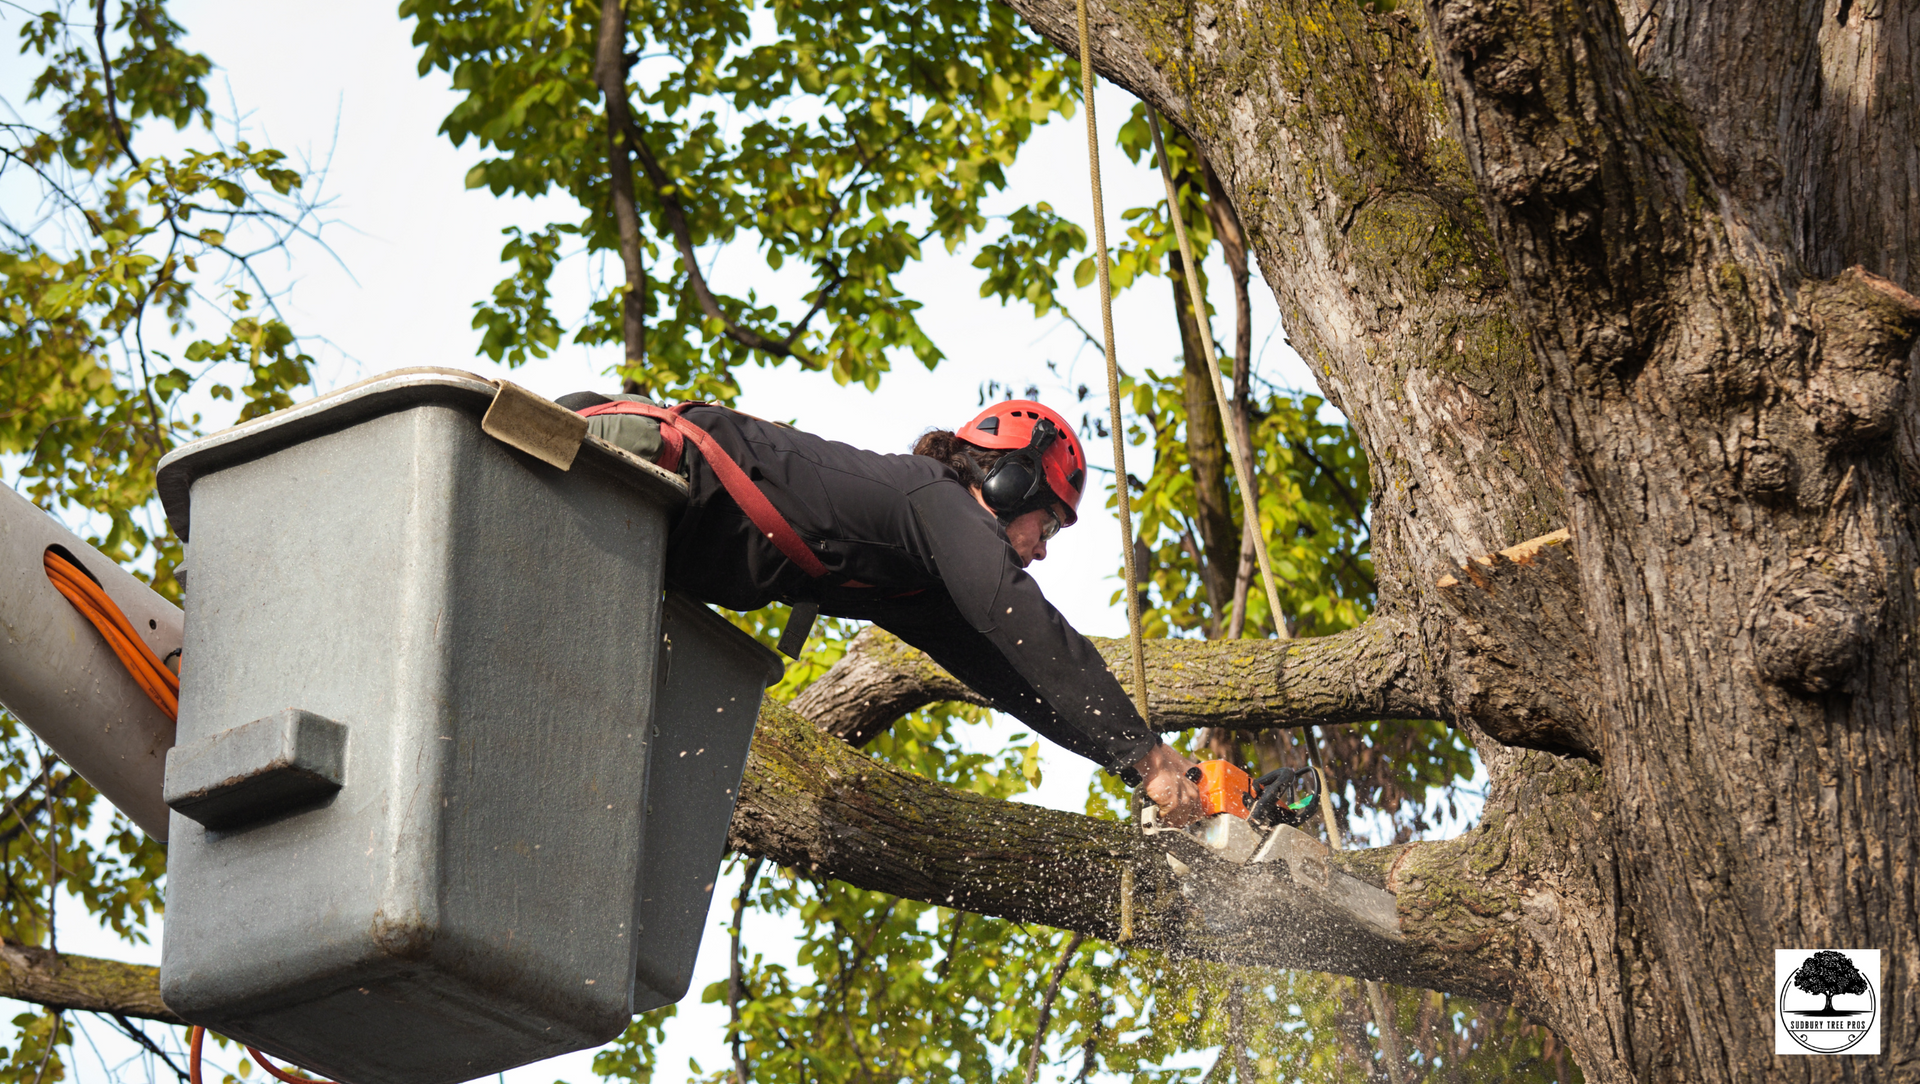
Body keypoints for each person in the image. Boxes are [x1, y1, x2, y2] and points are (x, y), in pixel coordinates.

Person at [556, 391, 1203, 826]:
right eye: (1048, 525)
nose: (1041, 552)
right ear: (1012, 481)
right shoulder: (936, 496)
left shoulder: (920, 577)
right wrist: (1149, 755)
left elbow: (1021, 678)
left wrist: (1130, 763)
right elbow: (1022, 618)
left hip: (642, 533)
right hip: (627, 462)